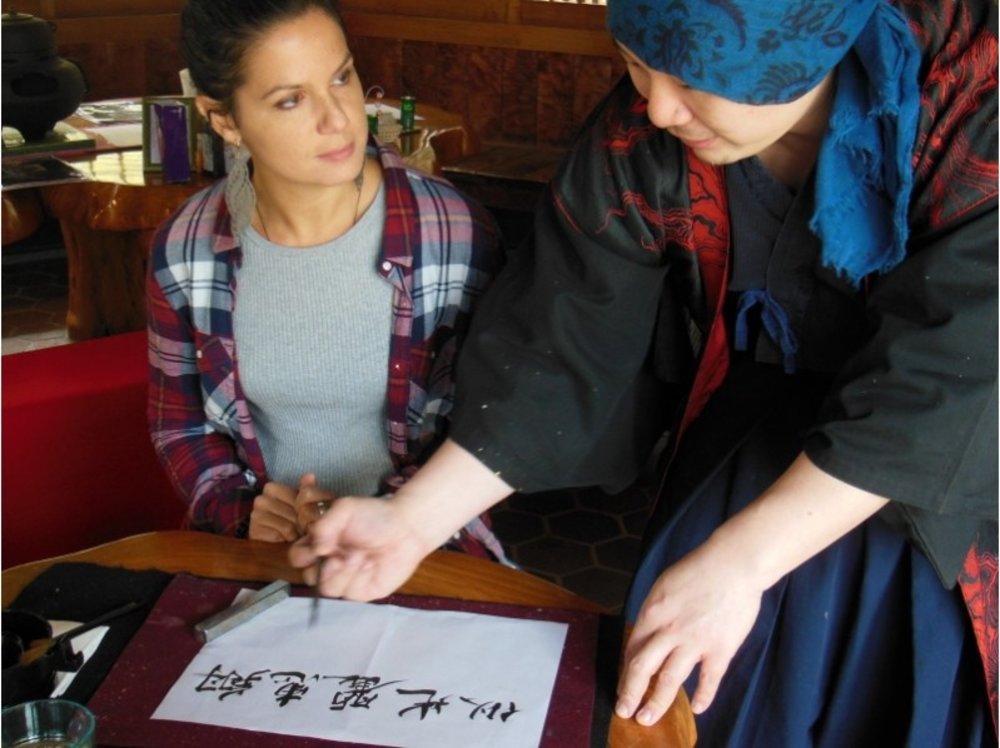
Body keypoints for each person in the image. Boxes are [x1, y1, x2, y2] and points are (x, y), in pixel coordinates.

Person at [291, 0, 998, 744]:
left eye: (696, 79)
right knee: (684, 697)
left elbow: (965, 364)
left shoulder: (972, 99)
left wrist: (740, 563)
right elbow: (562, 335)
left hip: (929, 483)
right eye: (636, 64)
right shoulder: (648, 120)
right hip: (744, 447)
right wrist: (411, 521)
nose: (658, 106)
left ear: (805, 44)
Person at [147, 0, 507, 560]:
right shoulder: (184, 251)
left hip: (425, 552)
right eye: (290, 100)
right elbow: (180, 428)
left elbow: (493, 432)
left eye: (341, 77)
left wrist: (389, 514)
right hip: (264, 557)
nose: (338, 117)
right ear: (222, 119)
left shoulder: (457, 236)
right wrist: (245, 514)